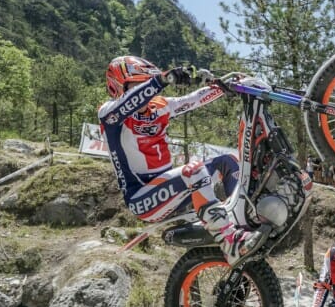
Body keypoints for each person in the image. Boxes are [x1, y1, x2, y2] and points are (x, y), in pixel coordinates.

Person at [98, 56, 257, 264]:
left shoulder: (160, 107)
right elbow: (128, 103)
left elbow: (194, 99)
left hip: (173, 191)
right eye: (140, 83)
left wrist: (227, 84)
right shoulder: (109, 115)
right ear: (119, 85)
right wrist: (161, 81)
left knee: (229, 161)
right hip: (141, 198)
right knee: (193, 170)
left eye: (148, 82)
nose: (147, 91)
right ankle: (229, 241)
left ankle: (241, 224)